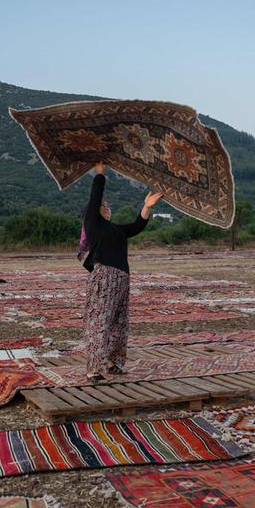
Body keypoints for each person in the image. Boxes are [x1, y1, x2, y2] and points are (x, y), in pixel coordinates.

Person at [79, 162, 164, 382]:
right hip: (105, 277)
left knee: (118, 322)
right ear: (96, 211)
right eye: (104, 205)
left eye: (108, 205)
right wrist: (99, 174)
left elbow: (137, 226)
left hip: (121, 279)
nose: (108, 207)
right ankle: (93, 369)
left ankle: (111, 362)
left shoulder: (115, 229)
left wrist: (146, 206)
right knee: (100, 322)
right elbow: (95, 196)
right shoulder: (93, 224)